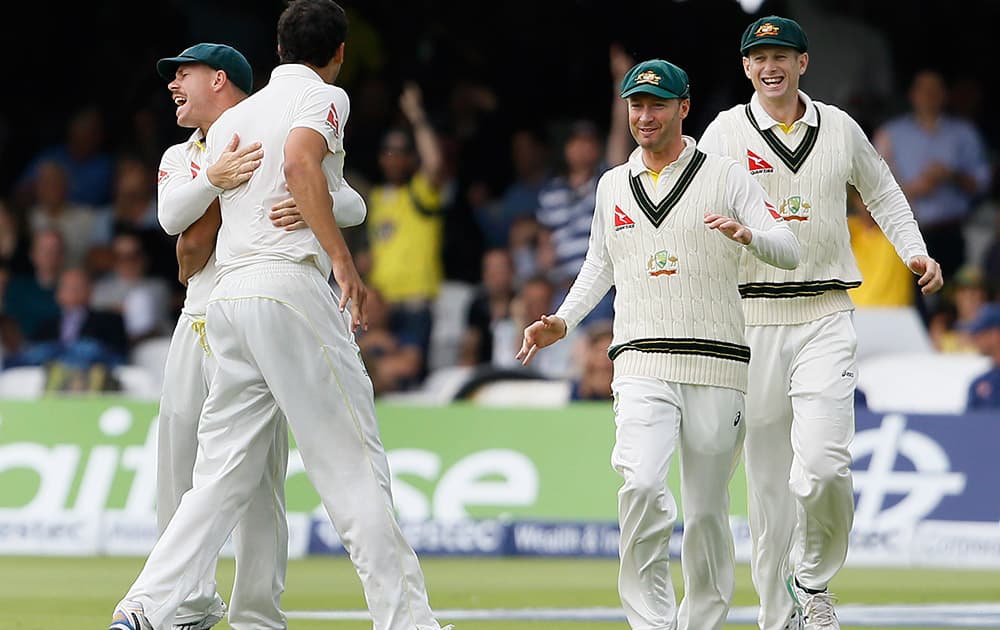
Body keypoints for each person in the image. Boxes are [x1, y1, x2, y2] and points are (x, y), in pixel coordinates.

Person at [109, 3, 451, 630]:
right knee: (354, 465)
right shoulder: (325, 97)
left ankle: (145, 608)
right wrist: (344, 262)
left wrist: (316, 197)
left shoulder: (237, 117)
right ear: (340, 52)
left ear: (278, 46)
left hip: (231, 305)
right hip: (288, 290)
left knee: (217, 478)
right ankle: (408, 623)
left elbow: (323, 188)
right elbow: (299, 162)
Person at [518, 59, 800, 630]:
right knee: (642, 483)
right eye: (637, 105)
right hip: (641, 360)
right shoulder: (612, 184)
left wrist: (752, 236)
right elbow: (600, 265)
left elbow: (788, 247)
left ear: (684, 108)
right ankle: (650, 622)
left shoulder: (726, 174)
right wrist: (564, 321)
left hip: (719, 364)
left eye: (658, 105)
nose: (645, 116)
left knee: (705, 515)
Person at [697, 15, 944, 630]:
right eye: (758, 58)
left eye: (782, 55)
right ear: (747, 69)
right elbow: (692, 205)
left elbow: (883, 193)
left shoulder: (838, 128)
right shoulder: (726, 131)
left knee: (825, 466)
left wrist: (913, 250)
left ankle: (813, 580)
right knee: (770, 492)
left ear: (803, 63)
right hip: (750, 319)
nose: (770, 66)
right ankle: (779, 618)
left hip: (826, 313)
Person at [148, 41, 369, 630]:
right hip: (199, 319)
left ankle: (255, 614)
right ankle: (184, 605)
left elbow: (352, 202)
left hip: (248, 315)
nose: (173, 84)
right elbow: (174, 223)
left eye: (184, 74)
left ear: (220, 79)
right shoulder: (181, 155)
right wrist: (216, 178)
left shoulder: (277, 133)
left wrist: (309, 200)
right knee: (178, 468)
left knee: (257, 480)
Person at [873, 69, 992, 282]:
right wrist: (915, 188)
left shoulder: (964, 133)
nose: (929, 95)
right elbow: (871, 187)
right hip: (904, 232)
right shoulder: (890, 133)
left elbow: (983, 184)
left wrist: (951, 175)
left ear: (945, 95)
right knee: (909, 303)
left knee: (952, 298)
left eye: (934, 90)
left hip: (951, 230)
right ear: (912, 94)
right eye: (923, 89)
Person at [965, 303, 1000, 410]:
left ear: (996, 334)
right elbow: (967, 424)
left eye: (980, 333)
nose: (975, 339)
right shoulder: (978, 383)